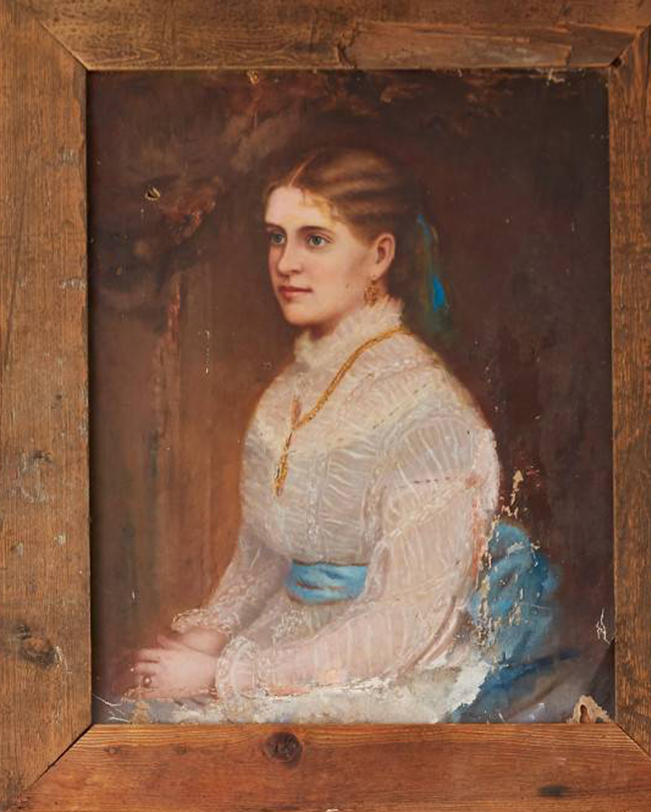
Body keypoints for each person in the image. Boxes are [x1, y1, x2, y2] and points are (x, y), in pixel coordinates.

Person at [128, 145, 563, 724]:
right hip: (281, 643)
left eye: (314, 239)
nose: (285, 263)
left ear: (379, 254)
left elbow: (403, 624)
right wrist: (210, 636)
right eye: (276, 237)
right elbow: (264, 550)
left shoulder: (431, 414)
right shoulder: (287, 394)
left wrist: (225, 674)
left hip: (376, 673)